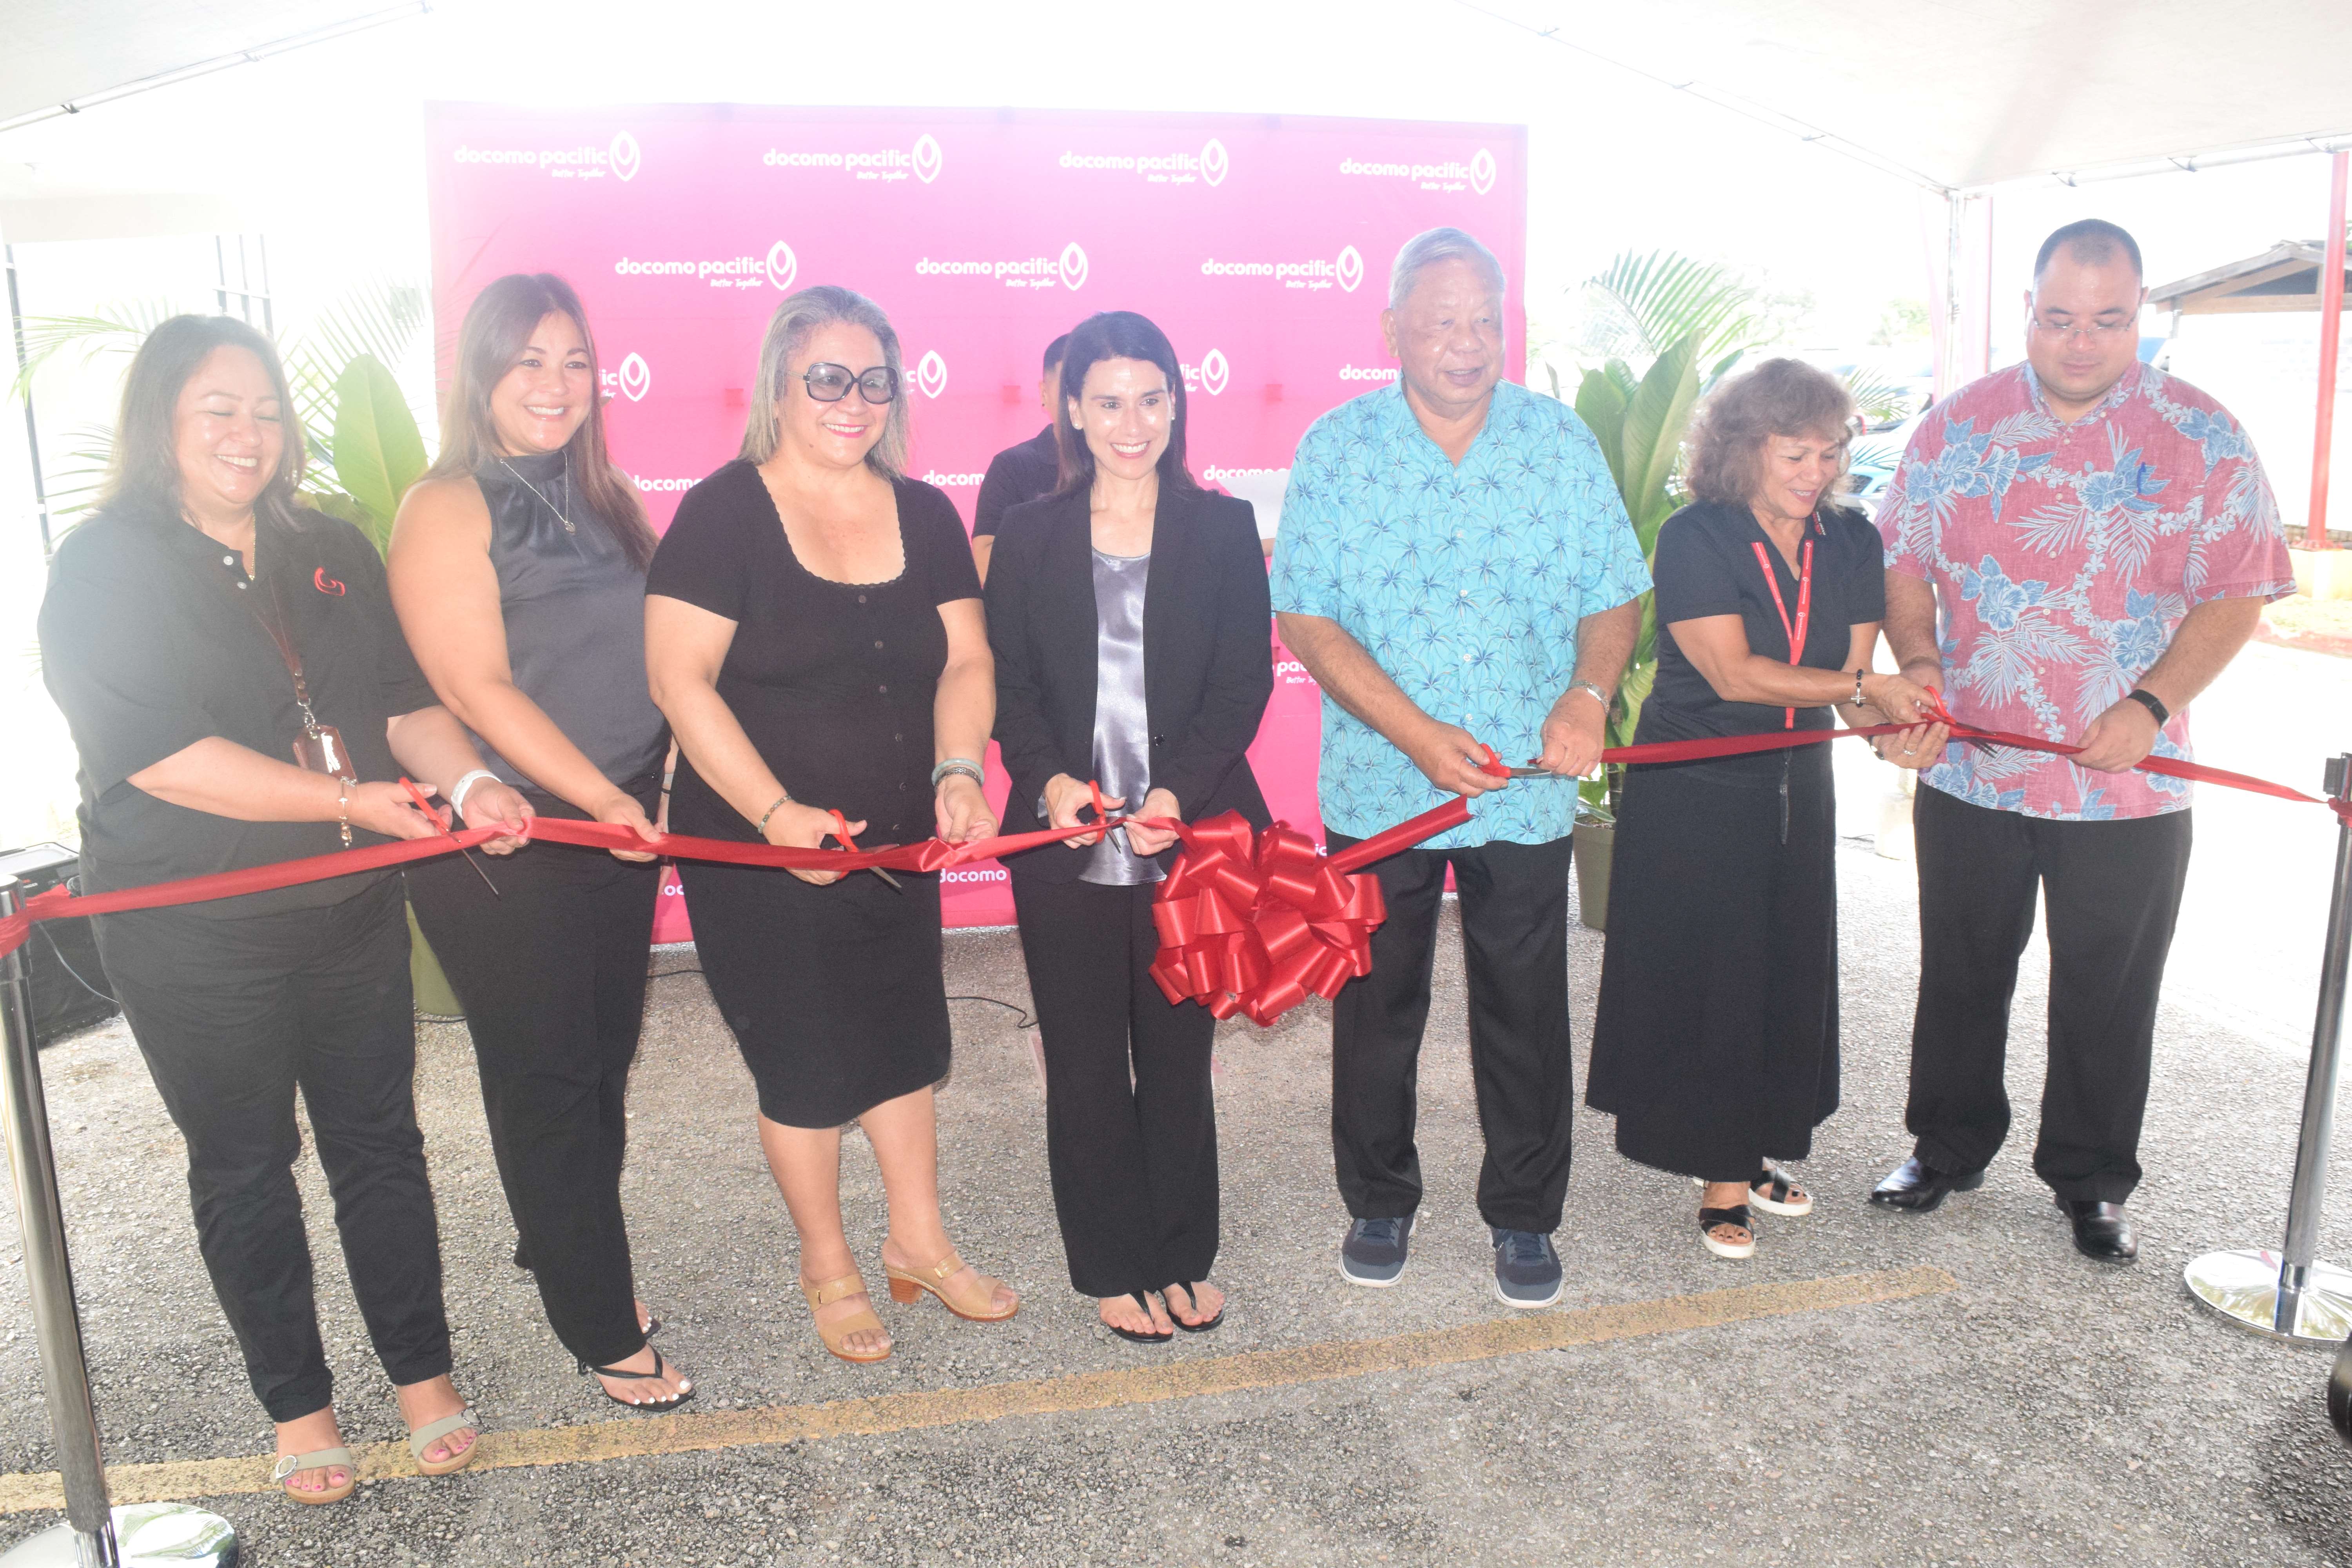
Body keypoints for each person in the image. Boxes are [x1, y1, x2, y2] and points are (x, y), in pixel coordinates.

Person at [36, 316, 523, 1503]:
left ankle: (421, 1372)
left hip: (347, 905)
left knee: (379, 1144)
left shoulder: (331, 547)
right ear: (163, 421)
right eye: (217, 409)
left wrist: (467, 780)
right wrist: (346, 794)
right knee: (246, 1165)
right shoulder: (103, 566)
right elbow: (155, 753)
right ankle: (298, 1408)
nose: (246, 434)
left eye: (262, 410)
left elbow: (402, 701)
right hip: (189, 930)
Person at [1870, 219, 2296, 1260]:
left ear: (2138, 314)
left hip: (2130, 787)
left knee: (2108, 984)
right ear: (2028, 309)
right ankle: (1948, 1145)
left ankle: (2093, 1179)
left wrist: (2149, 705)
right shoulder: (1956, 428)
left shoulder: (2202, 436)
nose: (2079, 342)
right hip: (1973, 768)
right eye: (2059, 318)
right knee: (1962, 969)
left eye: (2106, 320)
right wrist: (1918, 668)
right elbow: (1900, 564)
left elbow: (2240, 594)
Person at [1270, 227, 1650, 1308]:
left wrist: (1586, 694)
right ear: (1391, 330)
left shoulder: (1558, 443)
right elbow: (1307, 615)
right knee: (1375, 1007)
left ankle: (1525, 1215)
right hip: (1382, 788)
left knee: (1525, 1011)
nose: (1467, 342)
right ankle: (1378, 1197)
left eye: (1485, 319)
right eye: (1441, 321)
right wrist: (1416, 734)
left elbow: (1614, 591)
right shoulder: (1338, 449)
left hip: (1525, 791)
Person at [645, 284, 1015, 1363]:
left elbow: (969, 660)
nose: (853, 403)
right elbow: (679, 680)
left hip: (900, 842)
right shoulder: (721, 513)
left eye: (874, 382)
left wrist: (959, 771)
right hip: (760, 853)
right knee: (806, 1067)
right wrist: (772, 816)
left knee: (902, 1043)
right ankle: (829, 1264)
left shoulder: (929, 511)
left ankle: (921, 1245)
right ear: (780, 383)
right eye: (828, 379)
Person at [387, 273, 691, 1410]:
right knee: (553, 1074)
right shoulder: (448, 505)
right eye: (529, 362)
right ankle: (596, 1316)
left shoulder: (601, 492)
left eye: (573, 361)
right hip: (510, 840)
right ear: (482, 374)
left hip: (612, 818)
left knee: (597, 1064)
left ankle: (553, 1240)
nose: (556, 384)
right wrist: (597, 802)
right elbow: (475, 684)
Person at [1584, 360, 1944, 1261]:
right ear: (1743, 450)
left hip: (1797, 780)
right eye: (1794, 452)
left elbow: (1850, 687)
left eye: (1828, 452)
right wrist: (1870, 689)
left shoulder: (1853, 542)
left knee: (1787, 966)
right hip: (1698, 783)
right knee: (1716, 975)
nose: (1814, 471)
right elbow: (1734, 674)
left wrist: (1891, 733)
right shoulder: (1696, 536)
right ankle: (1720, 1172)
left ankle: (1751, 1143)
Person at [986, 310, 1273, 1342]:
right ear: (1072, 408)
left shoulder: (1224, 529)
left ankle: (1182, 1251)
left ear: (1177, 402)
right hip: (1065, 844)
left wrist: (1177, 796)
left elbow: (1241, 689)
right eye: (1108, 400)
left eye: (1152, 398)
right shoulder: (1027, 537)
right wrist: (1049, 778)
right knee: (1086, 1056)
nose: (1132, 421)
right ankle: (1110, 1260)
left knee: (1179, 1051)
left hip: (1183, 839)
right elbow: (1009, 689)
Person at [969, 332, 1069, 581]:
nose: (1078, 401)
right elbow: (986, 562)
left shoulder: (1125, 463)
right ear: (1044, 393)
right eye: (1068, 388)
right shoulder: (1013, 466)